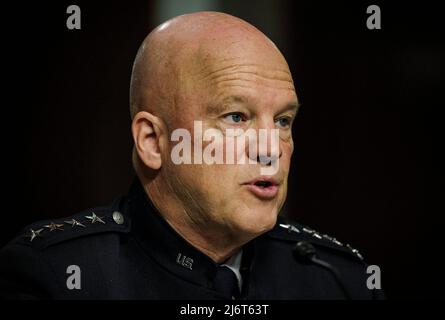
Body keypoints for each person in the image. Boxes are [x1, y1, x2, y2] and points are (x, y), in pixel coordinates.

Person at [0, 12, 383, 299]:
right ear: (153, 141)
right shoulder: (58, 276)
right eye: (236, 117)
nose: (270, 148)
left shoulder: (337, 279)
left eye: (283, 121)